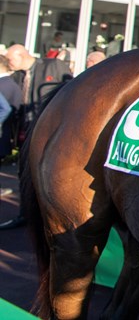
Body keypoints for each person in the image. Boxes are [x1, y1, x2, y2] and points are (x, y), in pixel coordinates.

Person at [0, 44, 73, 229]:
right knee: (24, 174)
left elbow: (69, 92)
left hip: (49, 132)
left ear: (21, 55)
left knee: (49, 176)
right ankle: (24, 214)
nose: (8, 63)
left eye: (10, 59)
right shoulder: (17, 76)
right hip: (24, 133)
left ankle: (52, 218)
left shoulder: (53, 66)